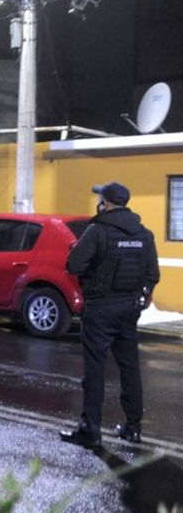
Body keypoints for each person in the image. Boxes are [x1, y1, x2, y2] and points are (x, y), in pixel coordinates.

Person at [60, 182, 160, 448]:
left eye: (100, 199)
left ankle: (90, 430)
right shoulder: (143, 233)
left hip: (100, 308)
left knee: (95, 370)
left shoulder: (97, 230)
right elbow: (153, 274)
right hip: (129, 309)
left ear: (105, 203)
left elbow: (74, 264)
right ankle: (133, 428)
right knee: (129, 368)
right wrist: (140, 297)